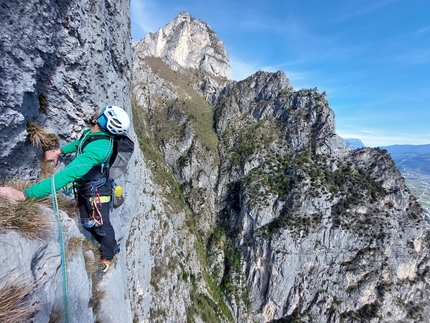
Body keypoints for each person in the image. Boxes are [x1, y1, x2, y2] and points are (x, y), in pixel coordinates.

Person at [0, 105, 131, 277]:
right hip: (87, 188)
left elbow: (67, 175)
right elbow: (80, 144)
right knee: (86, 222)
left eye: (103, 110)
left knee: (101, 226)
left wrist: (25, 195)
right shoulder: (94, 134)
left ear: (104, 120)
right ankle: (108, 243)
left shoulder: (99, 149)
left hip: (97, 192)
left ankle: (108, 255)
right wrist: (58, 151)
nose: (98, 109)